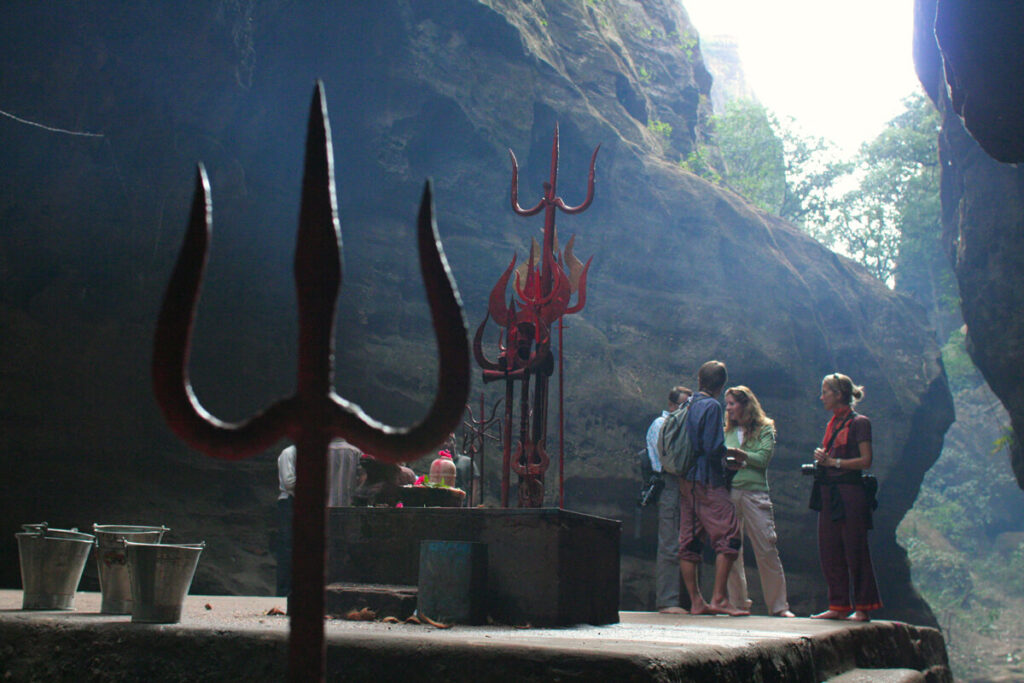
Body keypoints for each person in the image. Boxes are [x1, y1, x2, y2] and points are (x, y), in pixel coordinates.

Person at [677, 360, 749, 616]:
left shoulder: (687, 403)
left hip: (686, 481)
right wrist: (732, 454)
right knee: (730, 533)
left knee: (690, 540)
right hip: (707, 480)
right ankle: (719, 598)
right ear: (721, 385)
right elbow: (711, 448)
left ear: (699, 380)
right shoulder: (711, 406)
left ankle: (696, 601)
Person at [810, 372, 882, 622]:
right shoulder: (832, 423)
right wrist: (824, 460)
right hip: (829, 492)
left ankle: (863, 606)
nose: (822, 397)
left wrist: (834, 462)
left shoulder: (860, 422)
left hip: (850, 492)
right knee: (829, 547)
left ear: (838, 394)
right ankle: (838, 604)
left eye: (825, 392)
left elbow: (866, 460)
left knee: (855, 548)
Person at [722, 386, 795, 617]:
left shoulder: (765, 428)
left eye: (732, 403)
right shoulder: (727, 431)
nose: (729, 408)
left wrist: (741, 455)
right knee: (732, 549)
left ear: (745, 404)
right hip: (731, 492)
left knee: (766, 547)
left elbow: (763, 459)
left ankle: (779, 606)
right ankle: (738, 603)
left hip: (755, 494)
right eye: (728, 404)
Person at [645, 385, 693, 614]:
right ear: (672, 405)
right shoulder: (661, 425)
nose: (687, 410)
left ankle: (687, 599)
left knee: (685, 543)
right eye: (684, 405)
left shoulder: (681, 426)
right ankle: (667, 600)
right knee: (669, 544)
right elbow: (667, 460)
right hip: (669, 483)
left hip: (683, 485)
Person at [275, 444, 296, 597]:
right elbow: (289, 482)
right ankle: (284, 590)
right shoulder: (288, 453)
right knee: (288, 546)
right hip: (289, 502)